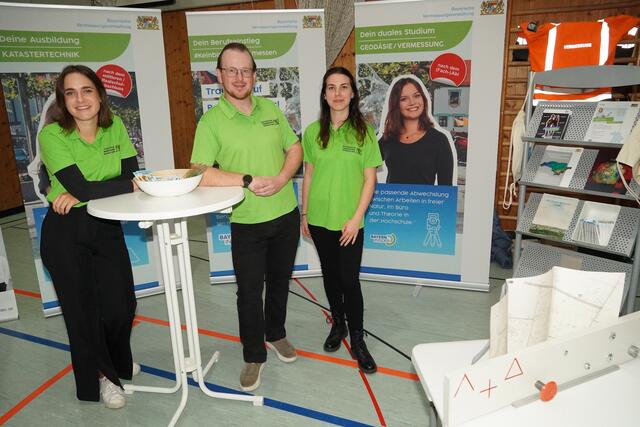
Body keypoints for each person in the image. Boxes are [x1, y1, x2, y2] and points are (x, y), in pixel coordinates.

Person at [190, 43, 302, 392]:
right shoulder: (211, 122)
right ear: (220, 75)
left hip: (285, 214)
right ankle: (254, 354)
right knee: (250, 293)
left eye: (245, 70)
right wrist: (247, 180)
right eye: (231, 70)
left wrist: (282, 179)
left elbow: (294, 148)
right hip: (247, 221)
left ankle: (276, 333)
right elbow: (199, 171)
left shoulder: (271, 109)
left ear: (254, 74)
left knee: (280, 281)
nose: (239, 77)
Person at [38, 65, 140, 409]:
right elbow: (109, 185)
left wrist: (83, 192)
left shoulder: (116, 127)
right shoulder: (52, 135)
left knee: (122, 307)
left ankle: (116, 362)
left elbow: (131, 175)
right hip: (66, 231)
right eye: (70, 93)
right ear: (62, 100)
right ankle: (103, 377)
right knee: (83, 315)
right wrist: (91, 190)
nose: (80, 99)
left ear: (100, 94)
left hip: (105, 225)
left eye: (86, 90)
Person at [301, 67, 382, 374]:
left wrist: (356, 218)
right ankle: (339, 324)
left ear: (352, 93)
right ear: (324, 94)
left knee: (349, 280)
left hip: (350, 222)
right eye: (331, 87)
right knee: (331, 277)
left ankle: (358, 338)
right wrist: (305, 213)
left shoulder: (364, 132)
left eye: (343, 87)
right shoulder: (312, 132)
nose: (337, 93)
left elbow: (370, 180)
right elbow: (309, 175)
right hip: (319, 220)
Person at [379, 76, 456, 185]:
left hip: (425, 197)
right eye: (404, 99)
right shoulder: (388, 139)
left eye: (416, 96)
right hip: (392, 197)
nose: (412, 102)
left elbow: (446, 190)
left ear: (423, 99)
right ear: (396, 104)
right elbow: (365, 169)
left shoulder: (439, 140)